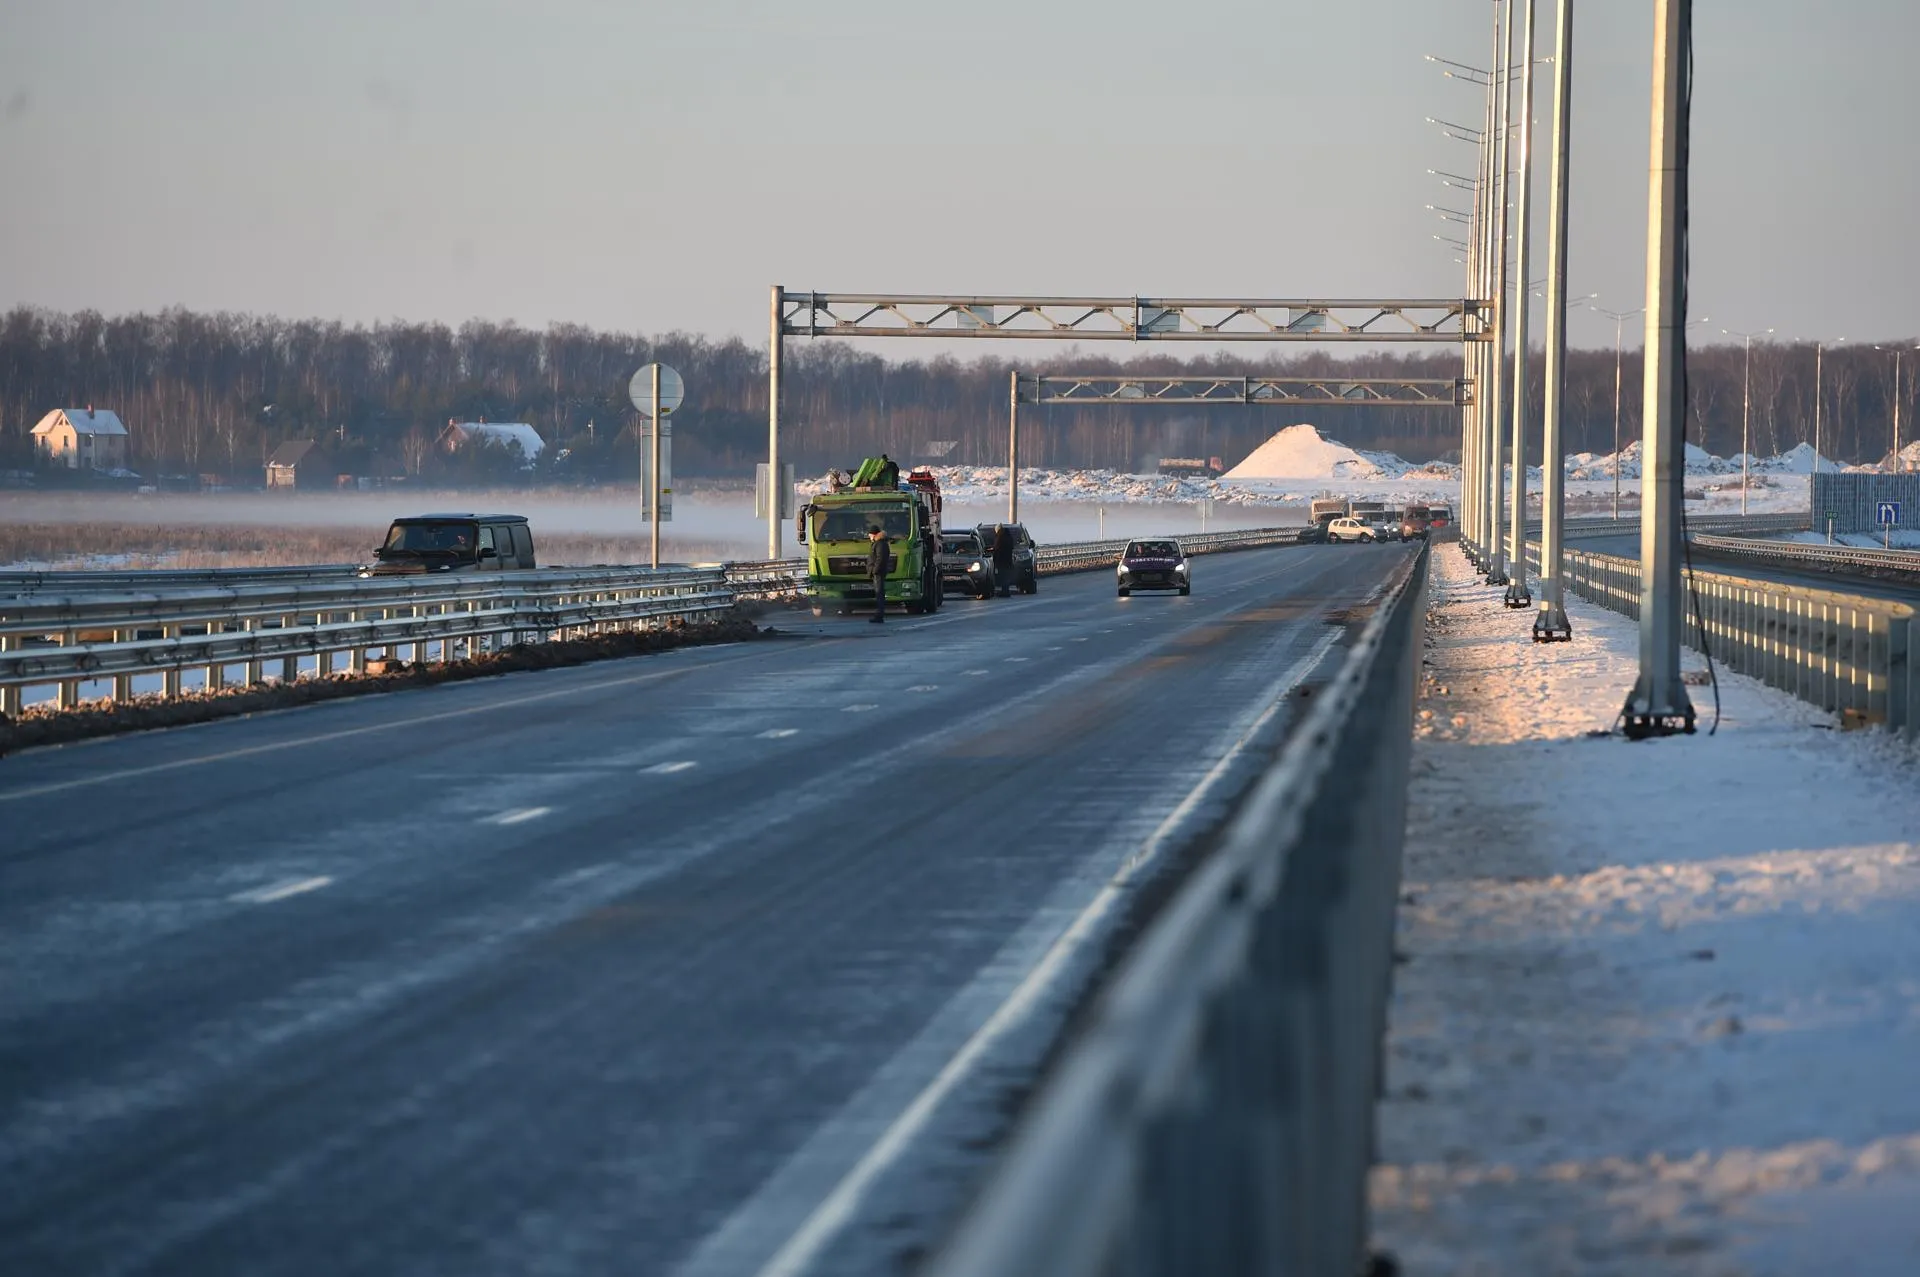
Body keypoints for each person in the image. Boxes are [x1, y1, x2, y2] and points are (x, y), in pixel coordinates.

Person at [866, 523, 892, 623]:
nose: (869, 536)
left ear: (874, 534)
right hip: (878, 572)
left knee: (879, 594)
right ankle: (879, 614)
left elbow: (880, 559)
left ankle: (879, 615)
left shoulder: (880, 544)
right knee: (879, 594)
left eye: (870, 534)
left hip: (878, 573)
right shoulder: (879, 543)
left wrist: (874, 571)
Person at [991, 523, 1015, 596]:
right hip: (1008, 560)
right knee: (1006, 576)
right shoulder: (1009, 536)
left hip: (1001, 560)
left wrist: (995, 559)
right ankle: (1006, 591)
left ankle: (1004, 592)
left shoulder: (1000, 537)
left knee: (1003, 576)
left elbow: (997, 549)